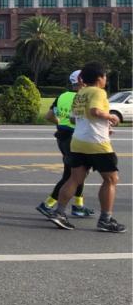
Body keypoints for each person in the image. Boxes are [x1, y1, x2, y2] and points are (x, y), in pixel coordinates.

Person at [47, 62, 125, 232]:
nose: (106, 79)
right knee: (111, 180)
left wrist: (102, 126)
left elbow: (74, 119)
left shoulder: (80, 93)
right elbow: (95, 111)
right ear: (99, 78)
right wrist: (111, 117)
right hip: (96, 143)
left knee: (74, 179)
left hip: (77, 141)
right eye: (105, 76)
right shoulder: (98, 92)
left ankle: (59, 213)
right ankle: (105, 220)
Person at [36, 70, 94, 218]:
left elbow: (49, 115)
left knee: (80, 172)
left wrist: (60, 123)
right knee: (72, 175)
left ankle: (78, 206)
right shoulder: (83, 97)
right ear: (82, 81)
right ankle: (47, 204)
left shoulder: (62, 96)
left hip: (62, 137)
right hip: (75, 139)